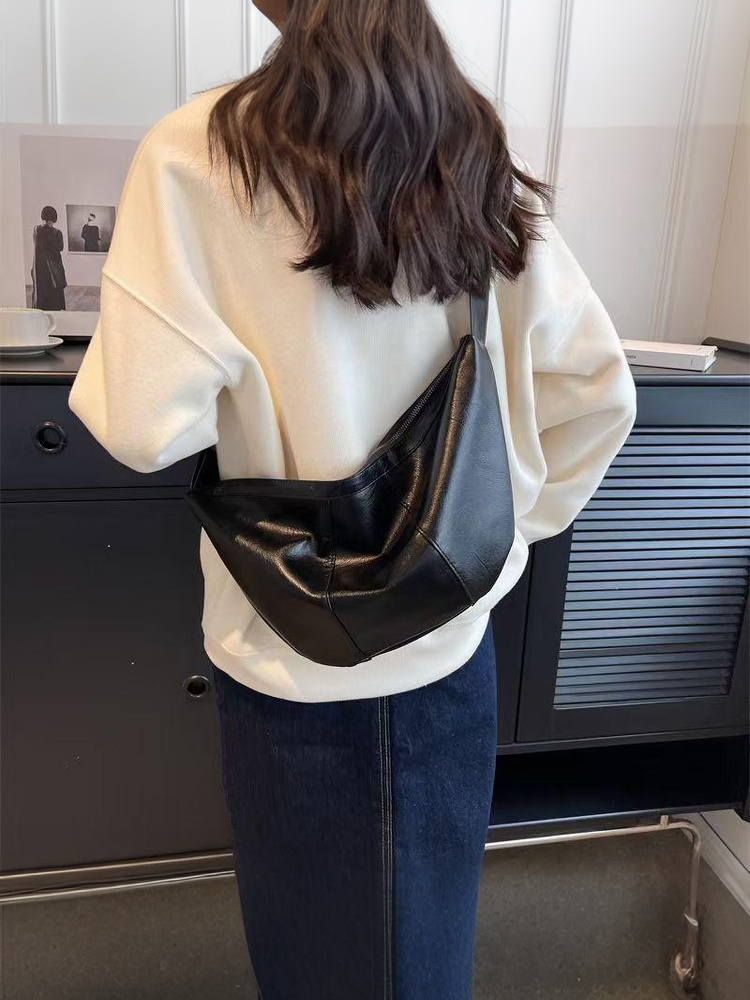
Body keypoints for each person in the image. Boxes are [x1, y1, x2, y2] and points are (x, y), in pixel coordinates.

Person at [67, 1, 638, 997]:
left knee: (321, 967)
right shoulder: (467, 145)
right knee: (416, 962)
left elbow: (140, 425)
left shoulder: (199, 155)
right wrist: (495, 536)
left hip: (285, 654)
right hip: (447, 654)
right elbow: (596, 391)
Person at [31, 205, 67, 310]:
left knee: (43, 290)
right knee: (54, 290)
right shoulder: (57, 233)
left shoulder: (37, 230)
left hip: (41, 267)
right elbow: (60, 247)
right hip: (53, 266)